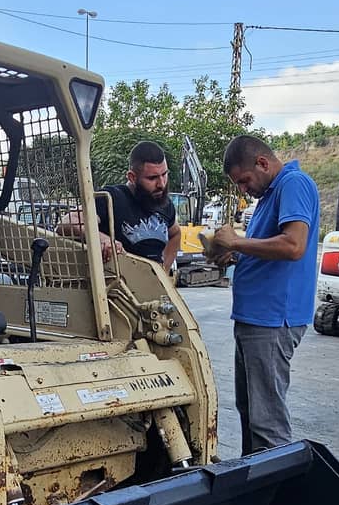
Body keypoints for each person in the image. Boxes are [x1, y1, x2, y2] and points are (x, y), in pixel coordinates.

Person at [208, 133, 320, 455]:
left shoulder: (293, 184)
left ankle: (273, 499)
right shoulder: (269, 196)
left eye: (244, 181)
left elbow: (293, 245)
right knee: (251, 414)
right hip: (255, 319)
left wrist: (236, 242)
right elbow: (268, 249)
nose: (243, 190)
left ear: (262, 162)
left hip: (272, 321)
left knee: (267, 425)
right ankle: (252, 487)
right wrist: (233, 254)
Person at [58, 140, 181, 272]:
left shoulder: (165, 204)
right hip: (118, 286)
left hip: (154, 287)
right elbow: (68, 222)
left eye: (164, 174)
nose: (161, 184)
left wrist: (165, 271)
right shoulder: (111, 198)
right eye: (152, 178)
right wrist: (102, 239)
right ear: (132, 177)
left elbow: (175, 233)